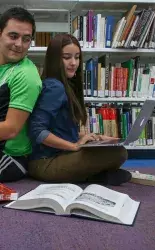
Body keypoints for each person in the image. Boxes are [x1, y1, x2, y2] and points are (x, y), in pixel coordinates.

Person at [28, 34, 131, 185]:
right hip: (44, 163)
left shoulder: (65, 85)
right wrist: (75, 146)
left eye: (77, 57)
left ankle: (94, 176)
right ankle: (95, 176)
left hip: (58, 157)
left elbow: (61, 129)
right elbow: (36, 131)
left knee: (117, 150)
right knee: (119, 153)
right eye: (66, 57)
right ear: (54, 59)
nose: (73, 63)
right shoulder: (54, 87)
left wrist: (93, 138)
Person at [0, 7, 42, 182]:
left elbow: (10, 130)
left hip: (10, 158)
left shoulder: (26, 75)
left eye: (26, 39)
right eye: (13, 36)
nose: (19, 44)